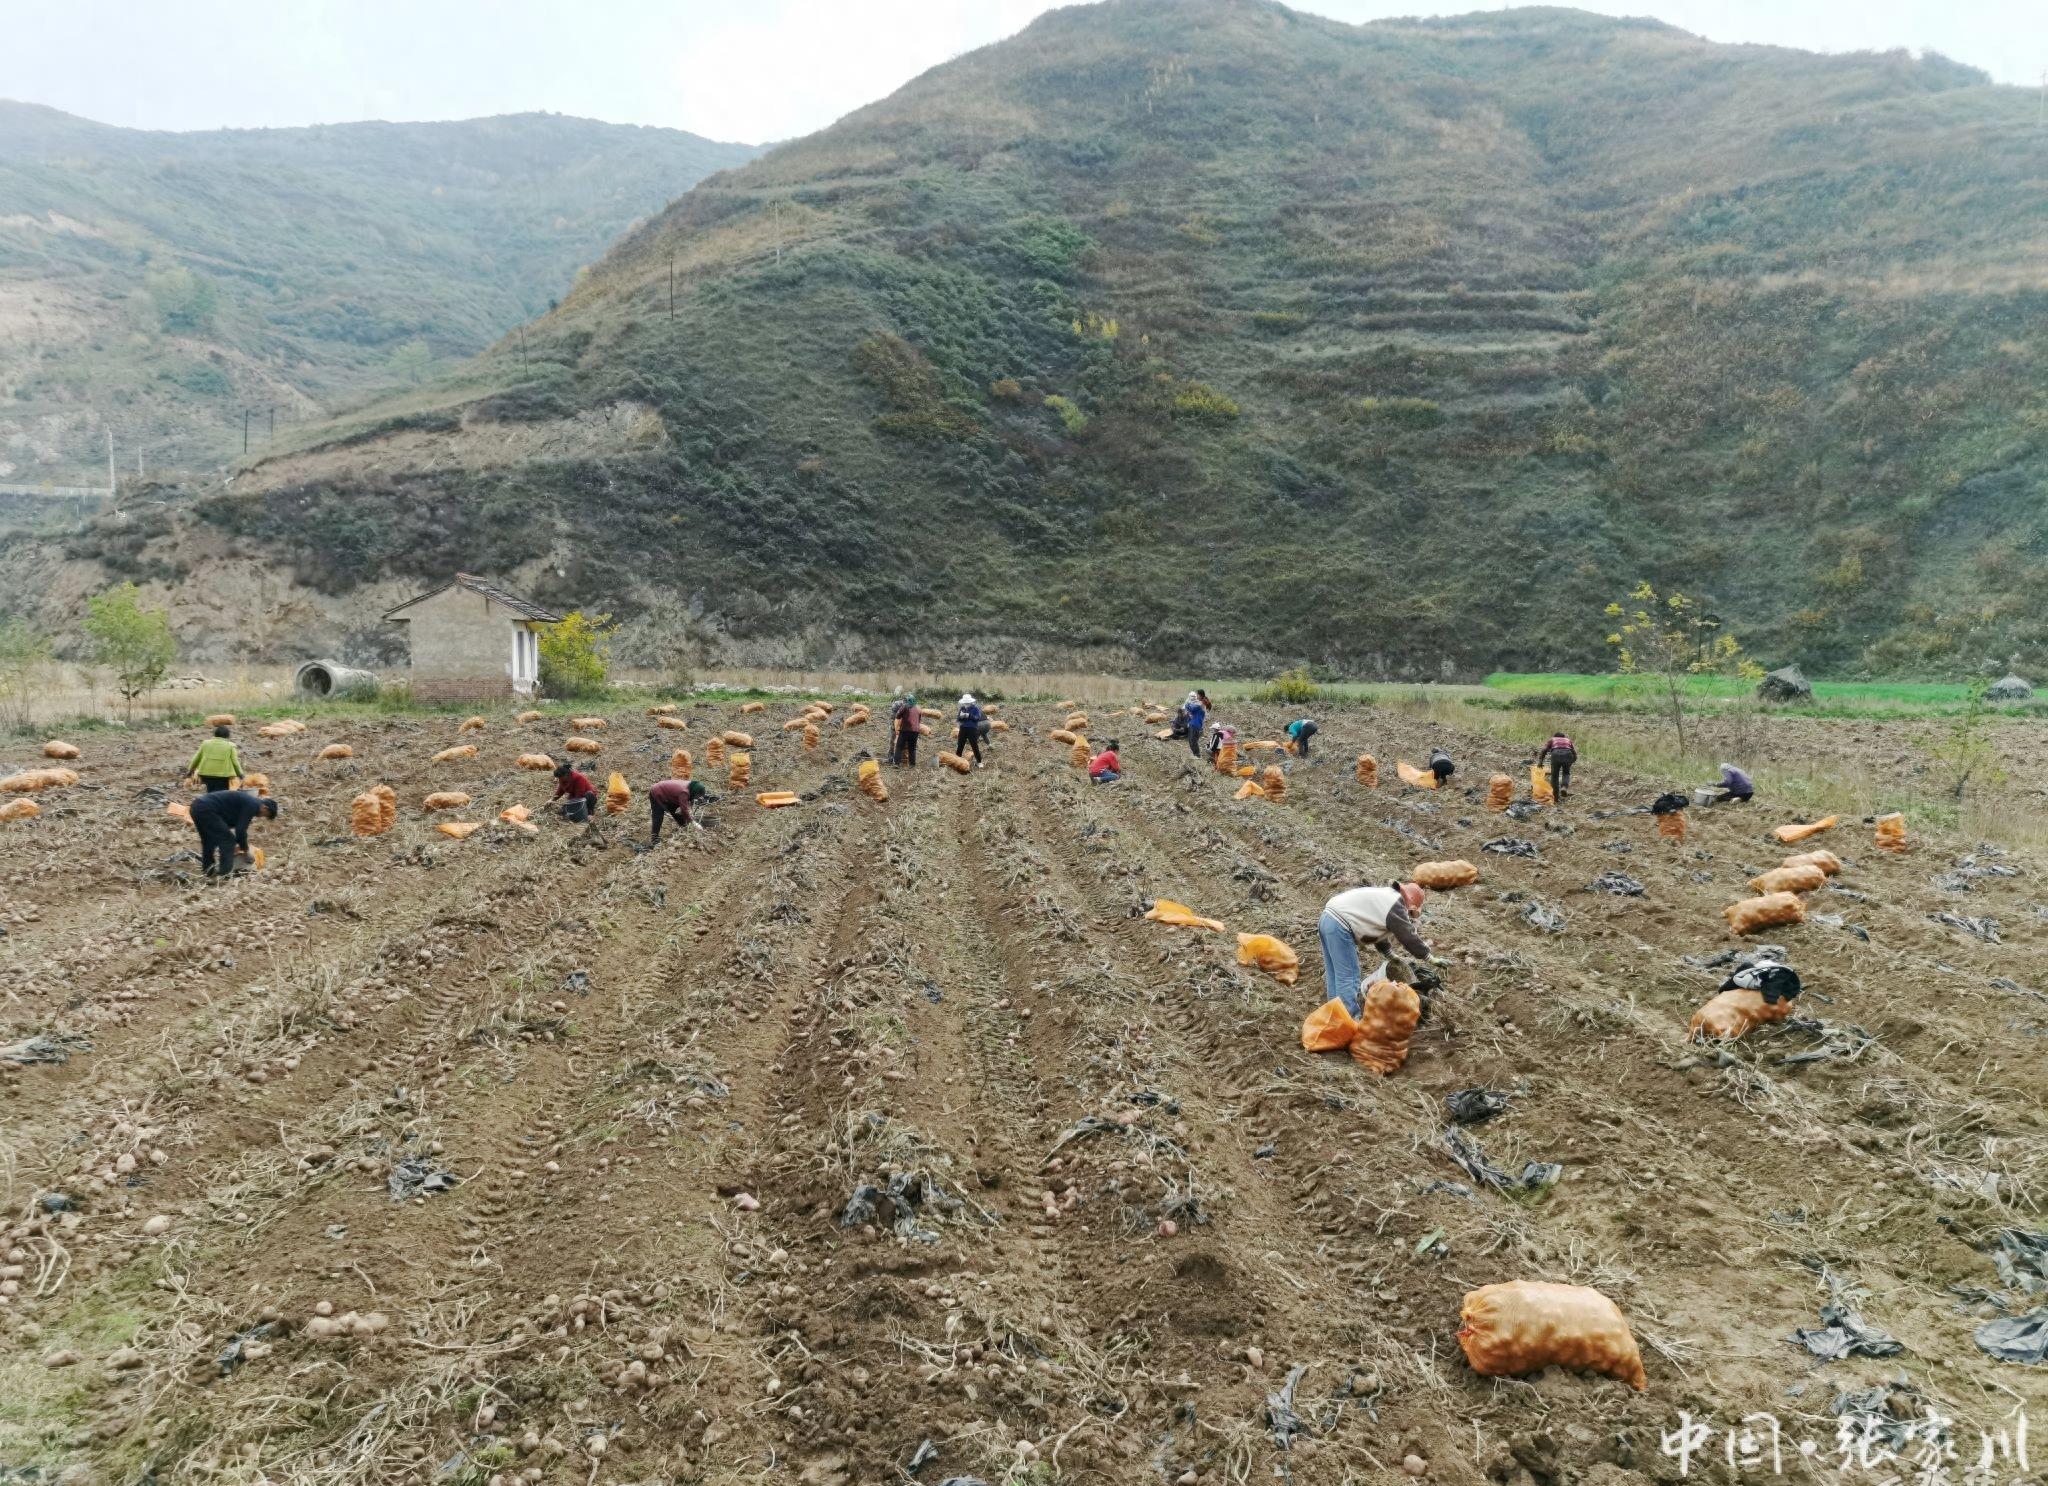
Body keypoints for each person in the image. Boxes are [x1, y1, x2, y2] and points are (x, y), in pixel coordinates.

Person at [1319, 881, 1434, 1018]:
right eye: (1410, 913)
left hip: (1327, 919)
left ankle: (1334, 1014)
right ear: (1411, 903)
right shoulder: (1396, 905)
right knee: (1348, 976)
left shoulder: (1386, 897)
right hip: (1340, 925)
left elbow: (1378, 929)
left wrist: (1389, 954)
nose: (1408, 915)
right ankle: (1350, 1018)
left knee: (1335, 973)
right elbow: (1408, 936)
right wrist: (1428, 956)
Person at [188, 787, 277, 878]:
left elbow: (229, 823)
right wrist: (245, 850)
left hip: (197, 807)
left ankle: (208, 872)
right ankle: (223, 875)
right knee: (229, 841)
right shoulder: (252, 806)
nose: (261, 816)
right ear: (265, 808)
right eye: (265, 815)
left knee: (209, 841)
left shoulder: (249, 802)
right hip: (206, 809)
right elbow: (240, 830)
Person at [185, 725, 243, 793]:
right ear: (227, 736)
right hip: (223, 777)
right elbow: (235, 762)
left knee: (211, 792)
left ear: (215, 734)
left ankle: (211, 801)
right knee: (221, 794)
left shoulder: (205, 743)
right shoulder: (230, 746)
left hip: (206, 775)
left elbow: (196, 758)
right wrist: (240, 774)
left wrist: (190, 771)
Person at [647, 776, 699, 844]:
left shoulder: (691, 786)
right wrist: (693, 822)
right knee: (658, 815)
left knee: (675, 811)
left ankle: (684, 826)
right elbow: (684, 810)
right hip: (656, 792)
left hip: (668, 794)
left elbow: (685, 805)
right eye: (697, 795)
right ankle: (654, 838)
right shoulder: (684, 792)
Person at [1536, 731, 1577, 802]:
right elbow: (1574, 752)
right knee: (1566, 773)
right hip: (1568, 754)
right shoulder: (1568, 740)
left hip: (1556, 754)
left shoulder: (1552, 739)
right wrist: (1572, 761)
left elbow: (1544, 750)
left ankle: (1555, 797)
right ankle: (1564, 787)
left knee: (1554, 776)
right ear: (1563, 737)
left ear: (1555, 736)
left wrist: (1540, 761)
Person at [954, 693, 985, 767]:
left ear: (971, 702)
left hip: (972, 729)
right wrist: (961, 716)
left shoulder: (975, 709)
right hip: (963, 728)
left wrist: (969, 715)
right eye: (965, 703)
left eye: (967, 703)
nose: (966, 704)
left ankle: (979, 762)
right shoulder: (962, 708)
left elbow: (977, 718)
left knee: (974, 745)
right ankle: (957, 760)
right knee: (960, 744)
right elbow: (958, 719)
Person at [896, 695, 922, 769]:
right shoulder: (918, 708)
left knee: (899, 747)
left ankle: (897, 763)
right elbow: (919, 720)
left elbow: (898, 716)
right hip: (915, 731)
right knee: (912, 748)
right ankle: (912, 764)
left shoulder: (905, 706)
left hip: (905, 730)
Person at [1183, 691, 1207, 759]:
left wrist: (1187, 703)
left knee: (1193, 741)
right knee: (1191, 740)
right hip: (1193, 724)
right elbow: (1188, 710)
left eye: (1196, 695)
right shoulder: (1198, 704)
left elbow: (1191, 708)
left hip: (1195, 725)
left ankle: (1197, 755)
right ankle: (1195, 754)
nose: (1195, 697)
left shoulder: (1200, 704)